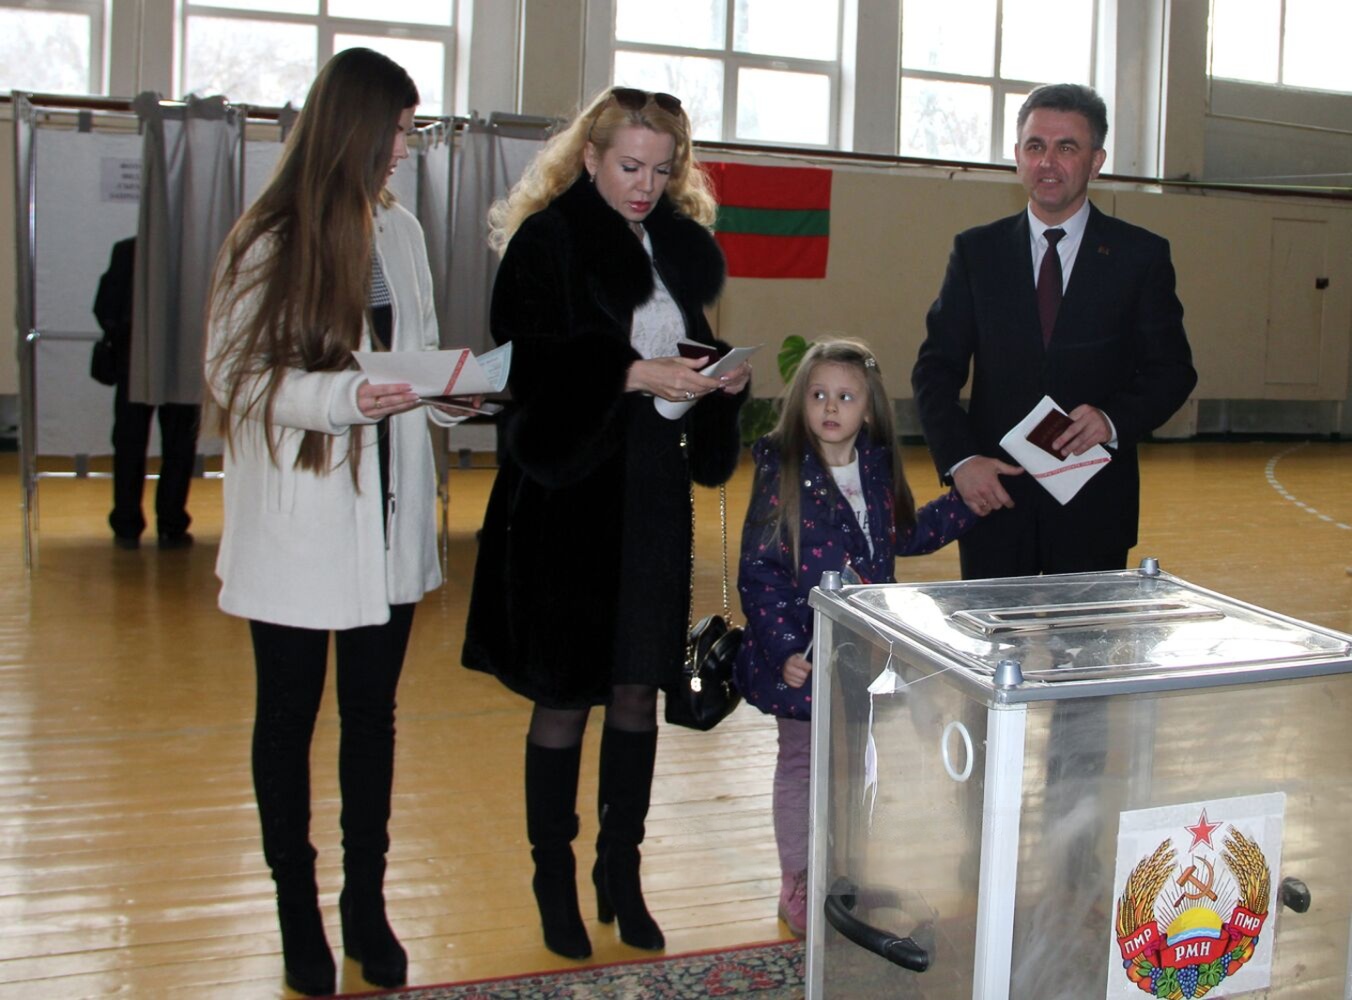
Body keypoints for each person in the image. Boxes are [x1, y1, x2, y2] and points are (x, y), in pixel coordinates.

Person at [461, 86, 751, 961]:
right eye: (629, 166)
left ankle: (620, 871)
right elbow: (522, 367)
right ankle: (553, 878)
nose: (644, 185)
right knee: (564, 698)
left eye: (661, 171)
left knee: (636, 691)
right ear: (588, 157)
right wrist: (629, 375)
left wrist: (716, 380)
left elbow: (680, 350)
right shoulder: (547, 240)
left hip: (652, 492)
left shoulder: (673, 246)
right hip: (570, 499)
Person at [205, 48, 467, 996]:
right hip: (303, 522)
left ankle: (366, 903)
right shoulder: (268, 236)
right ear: (355, 126)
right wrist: (341, 400)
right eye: (398, 128)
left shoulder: (402, 230)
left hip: (388, 518)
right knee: (287, 719)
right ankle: (296, 908)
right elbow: (235, 375)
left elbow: (411, 355)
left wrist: (450, 394)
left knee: (372, 717)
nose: (406, 146)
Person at [733, 338, 974, 937]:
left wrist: (966, 506)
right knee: (800, 764)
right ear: (800, 403)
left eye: (845, 397)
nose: (830, 407)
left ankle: (841, 871)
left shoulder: (875, 467)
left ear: (868, 410)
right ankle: (797, 878)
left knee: (847, 769)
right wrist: (785, 649)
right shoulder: (782, 469)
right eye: (818, 395)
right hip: (803, 658)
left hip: (861, 657)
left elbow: (904, 535)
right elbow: (760, 570)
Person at [911, 83, 1197, 579]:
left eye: (1066, 147)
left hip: (1094, 507)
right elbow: (935, 370)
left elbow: (1172, 371)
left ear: (1096, 161)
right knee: (992, 633)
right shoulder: (977, 253)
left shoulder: (1140, 256)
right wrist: (961, 461)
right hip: (993, 500)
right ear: (1018, 157)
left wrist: (1111, 420)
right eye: (1035, 146)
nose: (1047, 162)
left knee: (1085, 634)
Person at [93, 236, 199, 549]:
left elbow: (104, 306)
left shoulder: (127, 250)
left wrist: (125, 335)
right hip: (181, 363)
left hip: (134, 363)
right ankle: (171, 523)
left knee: (129, 445)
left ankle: (127, 524)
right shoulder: (194, 251)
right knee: (179, 447)